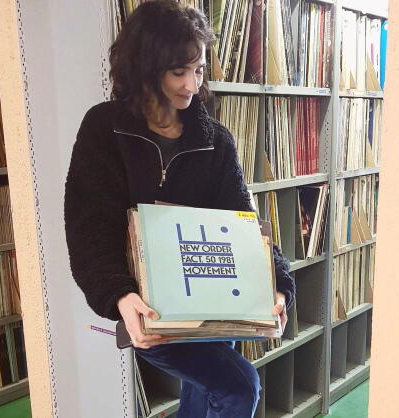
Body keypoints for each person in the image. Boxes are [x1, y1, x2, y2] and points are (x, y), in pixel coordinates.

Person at [63, 1, 295, 417]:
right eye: (178, 72)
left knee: (204, 397)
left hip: (216, 302)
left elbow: (242, 220)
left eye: (199, 70)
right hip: (151, 308)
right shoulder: (104, 129)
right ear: (145, 67)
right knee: (238, 388)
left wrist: (276, 284)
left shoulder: (214, 139)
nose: (191, 85)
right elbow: (90, 224)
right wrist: (118, 294)